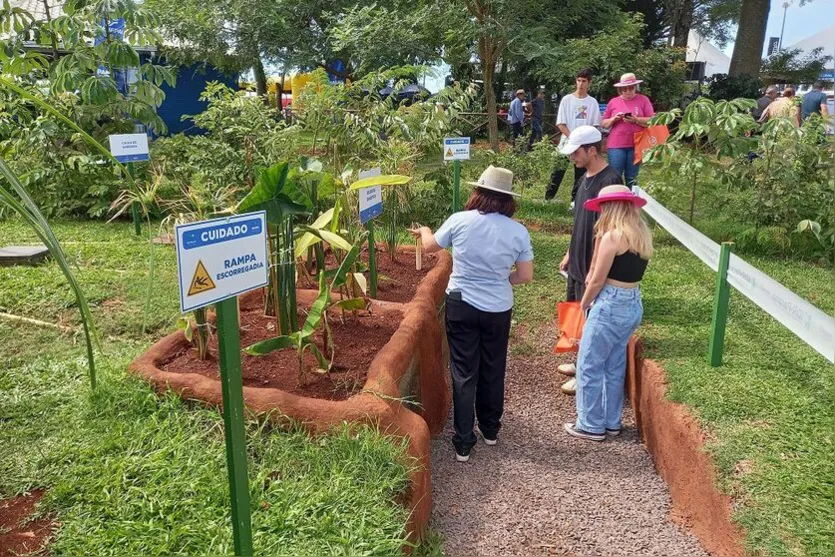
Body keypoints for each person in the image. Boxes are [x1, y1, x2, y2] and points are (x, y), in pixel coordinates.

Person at [410, 166, 534, 462]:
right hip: (498, 308)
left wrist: (425, 231)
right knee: (493, 367)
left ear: (477, 192)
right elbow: (525, 275)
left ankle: (464, 441)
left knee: (464, 372)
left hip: (462, 304)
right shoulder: (518, 231)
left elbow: (429, 247)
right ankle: (490, 430)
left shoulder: (460, 221)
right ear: (508, 200)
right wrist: (503, 280)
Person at [564, 185, 652, 442]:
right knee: (614, 365)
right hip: (633, 302)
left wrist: (584, 303)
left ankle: (590, 424)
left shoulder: (612, 237)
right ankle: (612, 422)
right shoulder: (641, 234)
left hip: (610, 304)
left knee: (589, 364)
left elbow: (597, 280)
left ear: (610, 208)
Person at [555, 126, 622, 392]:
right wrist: (570, 252)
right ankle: (578, 357)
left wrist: (596, 267)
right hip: (578, 260)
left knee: (592, 318)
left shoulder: (611, 182)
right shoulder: (585, 178)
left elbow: (610, 230)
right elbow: (580, 220)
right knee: (576, 310)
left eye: (576, 153)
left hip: (595, 263)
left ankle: (586, 372)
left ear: (592, 150)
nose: (573, 158)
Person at [547, 68, 602, 201]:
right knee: (558, 171)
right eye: (578, 80)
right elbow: (560, 123)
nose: (581, 84)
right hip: (567, 142)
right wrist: (573, 138)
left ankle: (575, 201)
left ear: (589, 83)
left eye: (584, 81)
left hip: (584, 145)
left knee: (581, 174)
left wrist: (585, 141)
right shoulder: (567, 100)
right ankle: (548, 199)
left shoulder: (592, 102)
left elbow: (595, 125)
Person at [601, 73, 654, 187]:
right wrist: (614, 119)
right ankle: (615, 201)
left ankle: (630, 202)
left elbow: (652, 120)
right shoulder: (613, 102)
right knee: (615, 176)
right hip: (616, 145)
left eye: (631, 88)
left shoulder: (643, 100)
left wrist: (636, 120)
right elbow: (604, 124)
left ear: (636, 87)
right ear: (620, 89)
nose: (627, 91)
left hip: (637, 143)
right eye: (624, 89)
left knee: (632, 177)